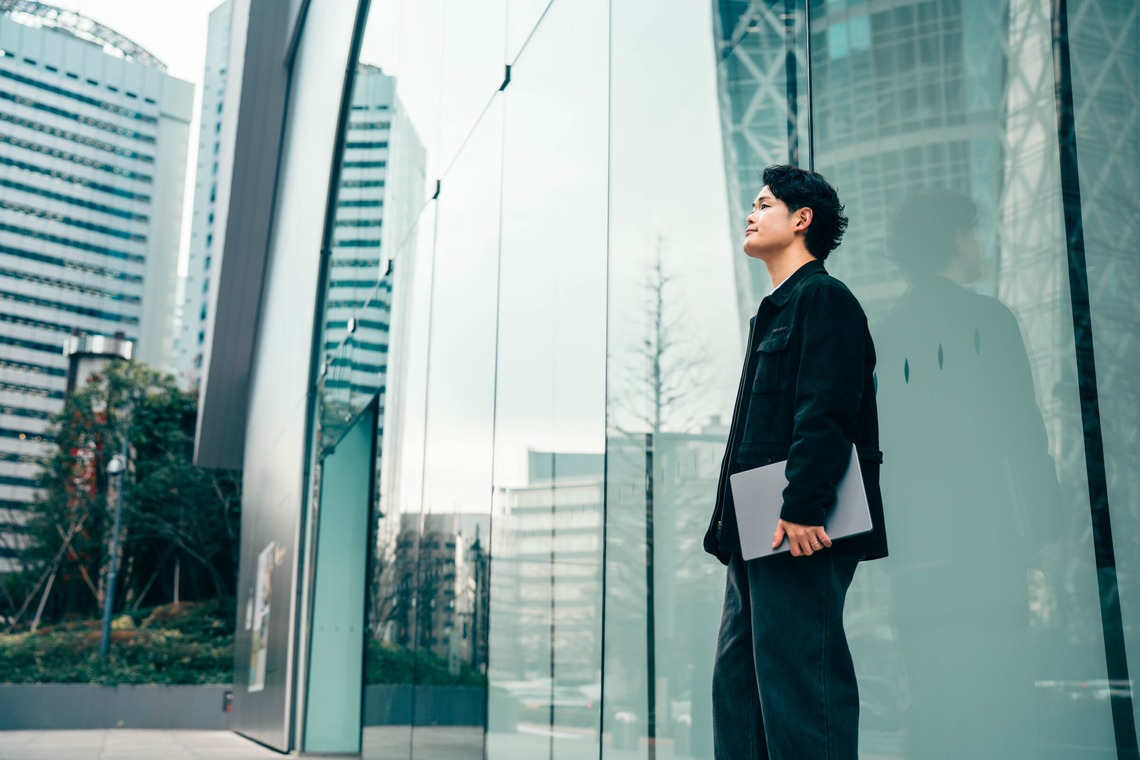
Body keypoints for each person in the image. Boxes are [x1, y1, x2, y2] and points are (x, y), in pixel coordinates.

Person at [703, 164, 887, 759]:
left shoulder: (825, 301)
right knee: (740, 687)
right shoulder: (773, 312)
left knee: (802, 683)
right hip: (757, 523)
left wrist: (805, 506)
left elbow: (826, 411)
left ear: (800, 219)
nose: (750, 215)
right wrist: (731, 532)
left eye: (763, 204)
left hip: (797, 523)